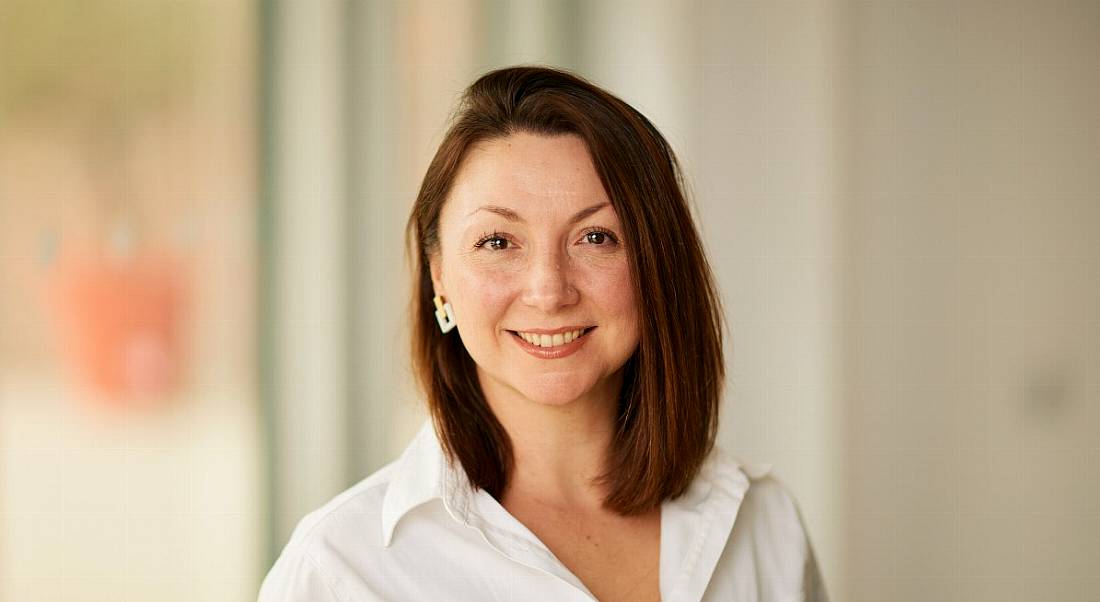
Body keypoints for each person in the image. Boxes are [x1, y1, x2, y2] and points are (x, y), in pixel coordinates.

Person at [258, 65, 828, 602]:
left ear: (658, 264)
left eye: (596, 237)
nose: (549, 290)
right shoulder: (340, 569)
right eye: (498, 242)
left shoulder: (763, 524)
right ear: (439, 276)